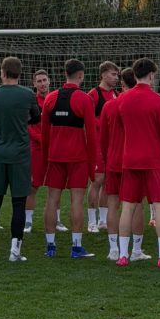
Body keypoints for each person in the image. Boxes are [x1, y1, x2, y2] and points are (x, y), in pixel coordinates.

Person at [116, 58, 160, 268]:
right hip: (153, 160)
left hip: (130, 159)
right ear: (151, 75)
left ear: (134, 75)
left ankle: (123, 255)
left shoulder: (123, 99)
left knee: (128, 207)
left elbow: (122, 127)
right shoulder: (158, 100)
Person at [0, 56, 41, 262]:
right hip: (20, 154)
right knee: (19, 203)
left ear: (2, 72)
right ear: (20, 72)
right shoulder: (27, 94)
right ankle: (14, 251)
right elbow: (37, 116)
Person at [41, 59, 97, 259]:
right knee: (77, 201)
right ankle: (76, 247)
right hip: (77, 158)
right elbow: (92, 136)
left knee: (52, 200)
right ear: (80, 75)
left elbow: (44, 134)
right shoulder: (84, 99)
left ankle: (50, 246)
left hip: (55, 156)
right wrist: (92, 166)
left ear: (65, 74)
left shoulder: (50, 98)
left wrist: (46, 159)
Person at [99, 68, 150, 262]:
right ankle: (135, 250)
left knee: (113, 204)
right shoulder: (140, 104)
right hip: (134, 162)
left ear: (122, 84)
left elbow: (102, 138)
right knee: (136, 205)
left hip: (114, 161)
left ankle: (114, 250)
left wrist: (108, 157)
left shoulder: (110, 105)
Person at [87, 61, 120, 232]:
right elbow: (87, 118)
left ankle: (103, 220)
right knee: (97, 181)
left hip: (112, 146)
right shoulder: (93, 94)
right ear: (103, 75)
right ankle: (91, 221)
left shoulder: (116, 94)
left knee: (108, 182)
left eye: (117, 75)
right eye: (113, 74)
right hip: (98, 146)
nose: (116, 78)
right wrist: (103, 124)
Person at [24, 69, 50, 233]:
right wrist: (44, 140)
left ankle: (56, 219)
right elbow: (29, 127)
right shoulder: (31, 102)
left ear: (49, 81)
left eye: (44, 80)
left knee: (55, 186)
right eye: (39, 81)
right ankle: (28, 221)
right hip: (37, 149)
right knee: (32, 186)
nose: (42, 84)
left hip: (53, 150)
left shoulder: (55, 99)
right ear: (34, 84)